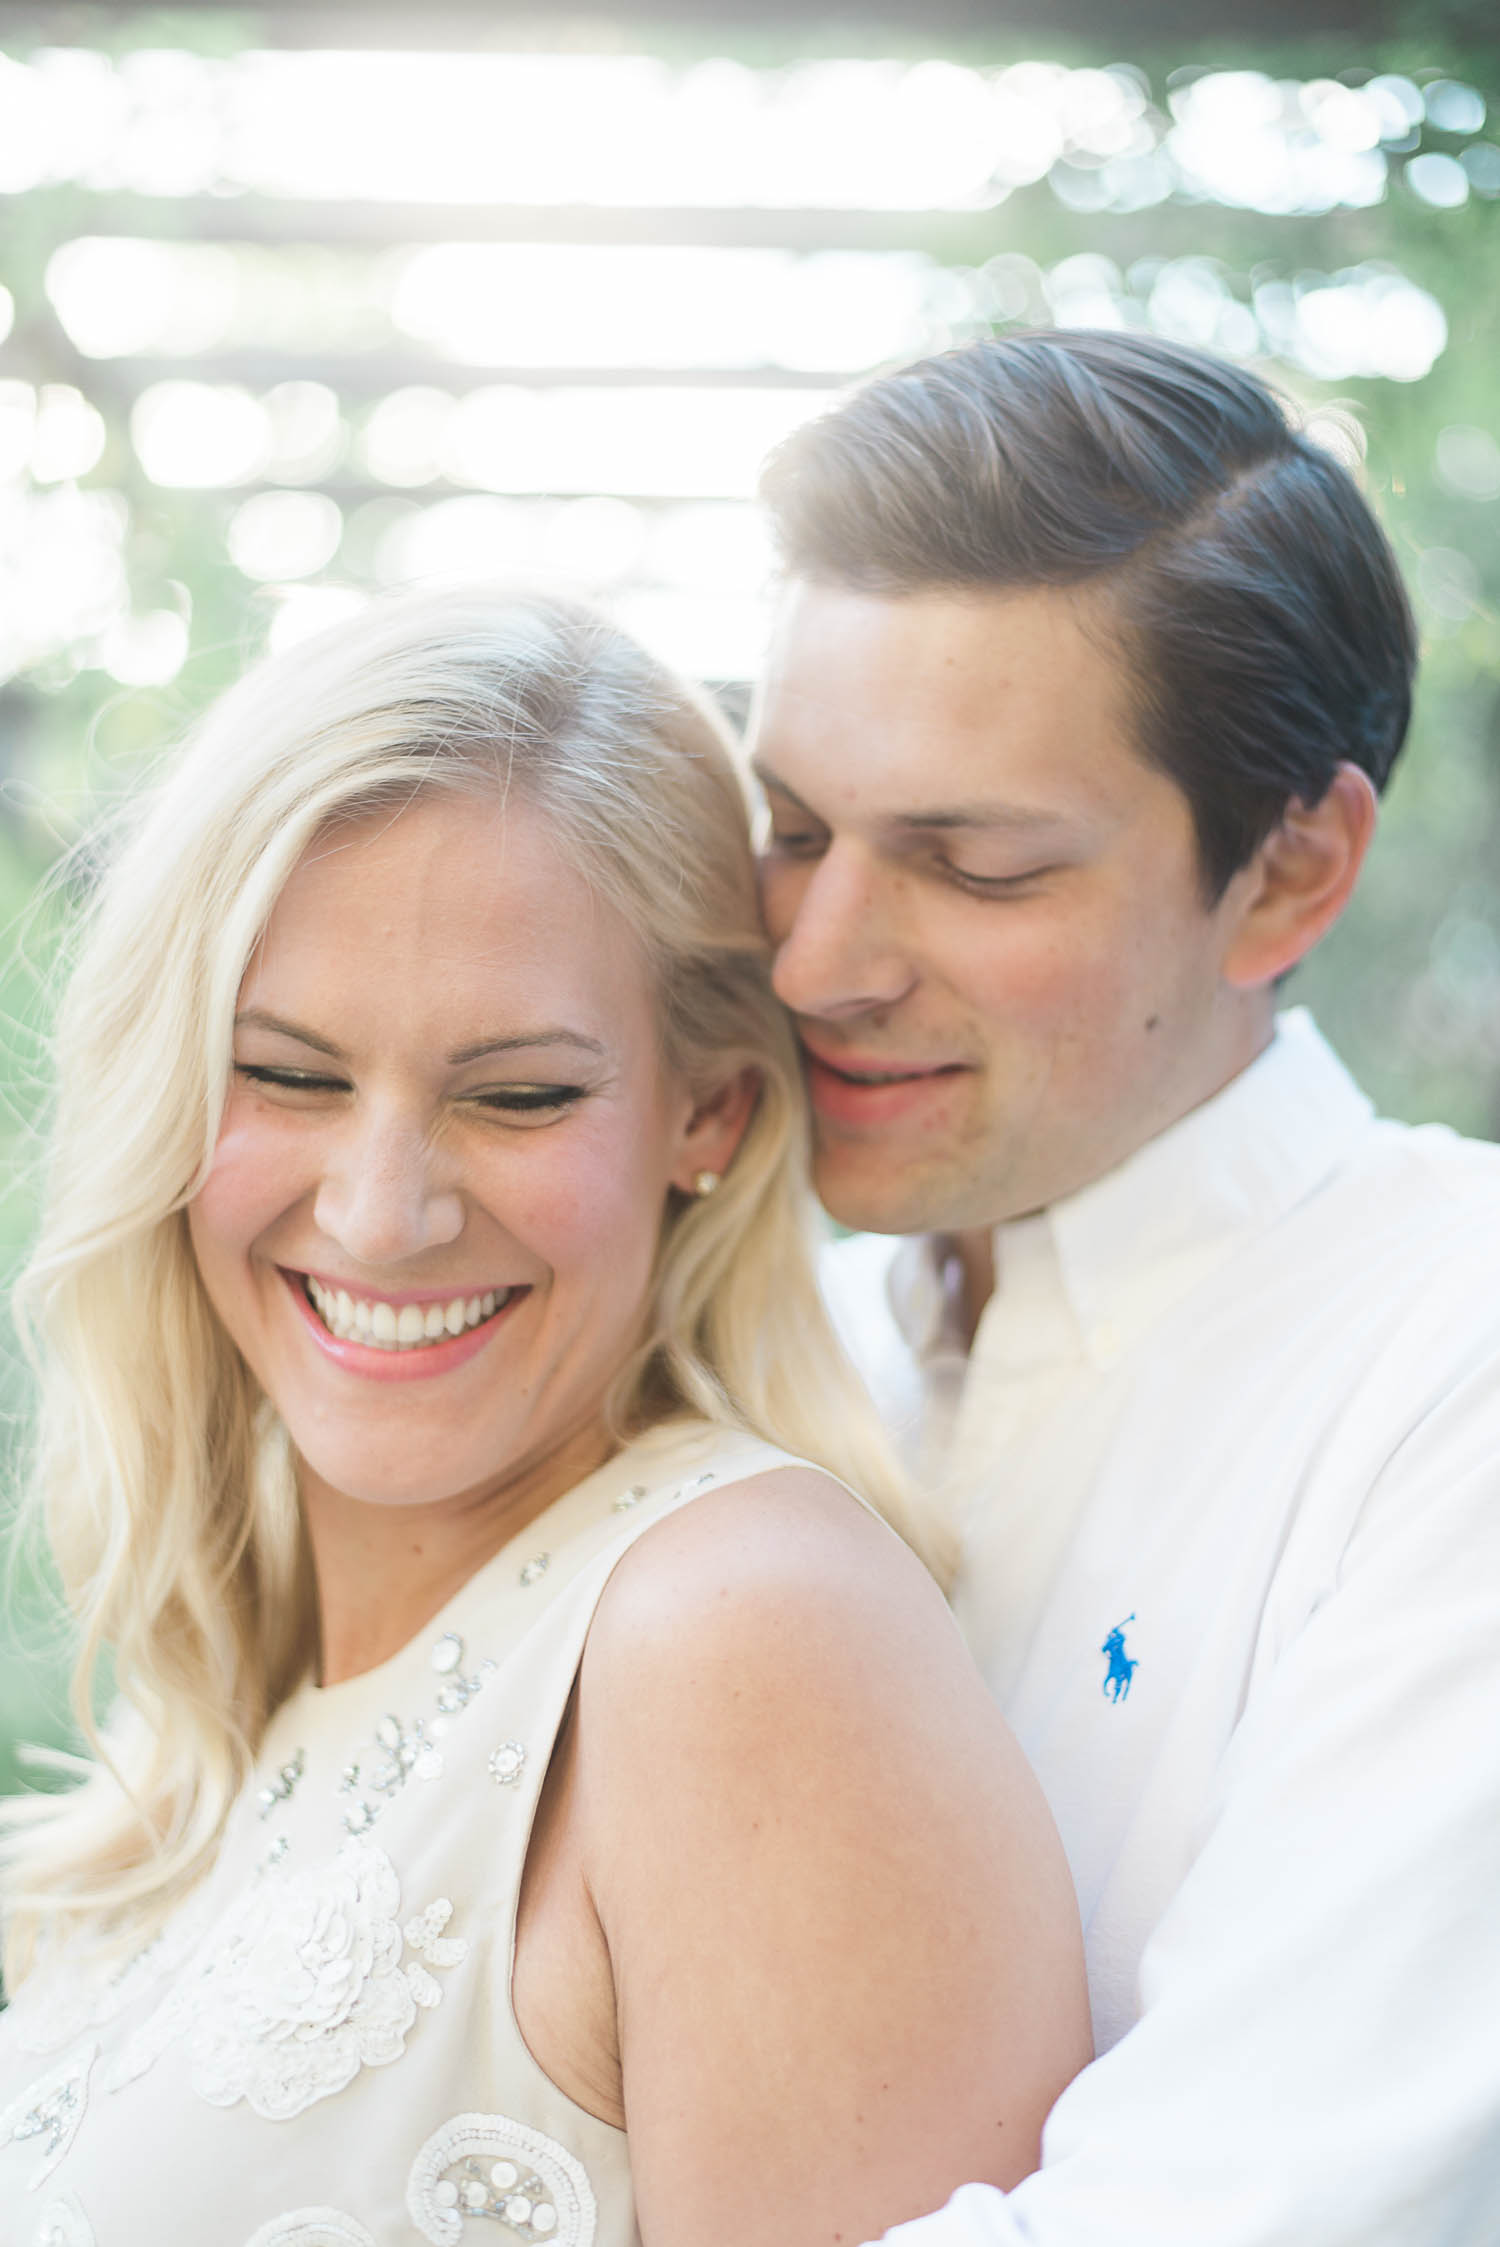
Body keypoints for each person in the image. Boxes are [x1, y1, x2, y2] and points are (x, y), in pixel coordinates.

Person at [0, 588, 1092, 2247]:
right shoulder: (224, 1719)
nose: (381, 1216)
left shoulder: (747, 1636)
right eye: (289, 1075)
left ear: (704, 1114)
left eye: (516, 1096)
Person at [750, 331, 1500, 2245]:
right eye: (792, 834)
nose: (821, 960)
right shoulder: (784, 1347)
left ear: (1291, 873)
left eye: (975, 865)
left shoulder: (1455, 1366)